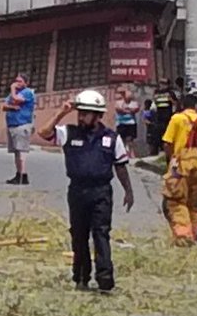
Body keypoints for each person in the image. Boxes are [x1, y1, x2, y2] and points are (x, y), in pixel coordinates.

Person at [50, 89, 135, 291]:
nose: (80, 117)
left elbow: (120, 166)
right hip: (77, 191)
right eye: (79, 113)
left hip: (101, 192)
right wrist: (61, 112)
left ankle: (105, 278)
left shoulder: (112, 138)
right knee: (79, 234)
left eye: (85, 113)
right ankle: (81, 276)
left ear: (97, 115)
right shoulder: (69, 133)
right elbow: (44, 133)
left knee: (101, 233)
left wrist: (128, 191)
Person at [159, 89, 197, 245]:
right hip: (196, 163)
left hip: (180, 163)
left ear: (182, 105)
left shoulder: (177, 119)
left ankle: (184, 237)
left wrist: (170, 160)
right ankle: (194, 234)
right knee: (193, 204)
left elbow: (167, 143)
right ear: (196, 106)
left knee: (176, 201)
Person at [5, 73, 37, 184]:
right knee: (16, 152)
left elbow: (16, 100)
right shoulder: (14, 93)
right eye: (16, 81)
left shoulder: (27, 92)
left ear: (26, 83)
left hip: (22, 124)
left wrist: (12, 89)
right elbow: (4, 106)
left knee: (21, 151)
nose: (16, 83)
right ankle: (18, 174)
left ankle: (23, 175)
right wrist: (12, 106)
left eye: (20, 81)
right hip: (12, 125)